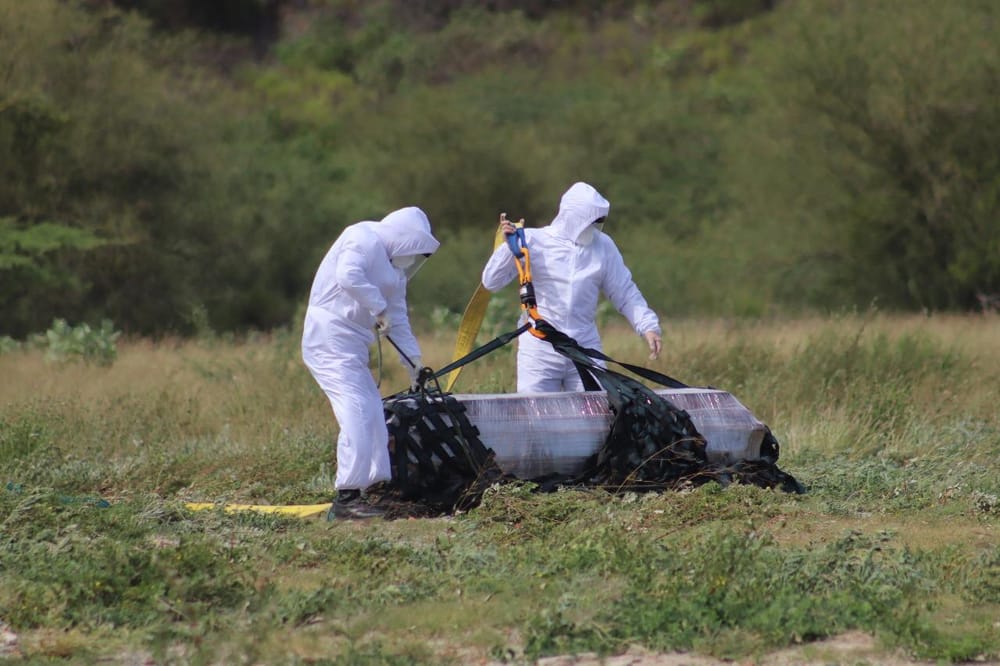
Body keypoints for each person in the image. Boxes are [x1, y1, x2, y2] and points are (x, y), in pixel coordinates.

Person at [302, 206, 439, 520]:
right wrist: (377, 308)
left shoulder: (395, 274)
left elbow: (398, 320)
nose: (413, 258)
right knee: (357, 410)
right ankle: (347, 497)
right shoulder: (361, 236)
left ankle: (375, 488)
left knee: (373, 412)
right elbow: (348, 275)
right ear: (404, 238)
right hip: (328, 337)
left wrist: (414, 364)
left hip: (353, 344)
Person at [481, 182, 662, 393]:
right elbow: (491, 282)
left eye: (600, 221)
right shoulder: (532, 240)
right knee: (537, 416)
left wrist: (648, 327)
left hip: (584, 347)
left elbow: (625, 291)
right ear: (574, 217)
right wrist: (508, 247)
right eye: (591, 221)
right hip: (540, 349)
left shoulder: (604, 246)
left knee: (596, 414)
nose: (595, 227)